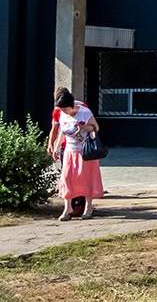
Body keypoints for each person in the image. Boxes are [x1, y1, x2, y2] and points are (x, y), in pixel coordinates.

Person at [53, 88, 104, 220]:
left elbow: (95, 127)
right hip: (70, 151)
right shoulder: (62, 113)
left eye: (65, 109)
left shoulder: (84, 112)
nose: (64, 112)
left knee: (86, 179)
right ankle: (67, 208)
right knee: (66, 179)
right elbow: (62, 132)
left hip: (85, 152)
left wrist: (82, 127)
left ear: (72, 106)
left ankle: (88, 207)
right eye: (62, 109)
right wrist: (56, 147)